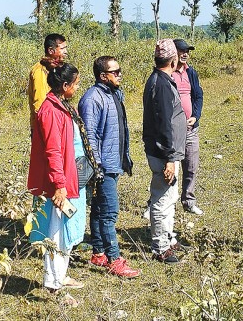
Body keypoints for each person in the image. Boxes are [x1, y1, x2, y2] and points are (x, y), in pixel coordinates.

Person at [28, 62, 88, 306]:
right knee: (56, 234)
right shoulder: (51, 111)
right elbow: (53, 151)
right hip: (57, 183)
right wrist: (59, 186)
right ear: (65, 86)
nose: (77, 87)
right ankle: (55, 285)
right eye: (75, 83)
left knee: (65, 231)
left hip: (66, 178)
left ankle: (60, 277)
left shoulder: (61, 105)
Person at [79, 56, 140, 278]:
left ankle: (98, 253)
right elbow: (90, 137)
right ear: (103, 76)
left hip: (114, 161)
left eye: (119, 70)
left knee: (98, 209)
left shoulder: (113, 94)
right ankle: (114, 259)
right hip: (103, 166)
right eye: (115, 72)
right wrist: (97, 168)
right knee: (109, 213)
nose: (120, 75)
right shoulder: (92, 99)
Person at [143, 39, 188, 264]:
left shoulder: (160, 80)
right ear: (173, 59)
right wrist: (169, 157)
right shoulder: (160, 84)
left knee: (170, 198)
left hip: (167, 152)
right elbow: (163, 123)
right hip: (164, 153)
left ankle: (169, 239)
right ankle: (160, 247)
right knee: (162, 199)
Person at [171, 39, 204, 215]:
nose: (185, 54)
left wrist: (195, 116)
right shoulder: (167, 73)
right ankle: (161, 202)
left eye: (187, 51)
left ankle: (188, 201)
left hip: (191, 129)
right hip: (173, 130)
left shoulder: (191, 72)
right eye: (181, 51)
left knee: (191, 166)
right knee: (169, 168)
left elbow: (198, 96)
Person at [27, 33, 68, 132]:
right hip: (45, 126)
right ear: (51, 50)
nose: (66, 52)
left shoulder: (56, 68)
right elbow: (40, 104)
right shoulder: (40, 70)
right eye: (62, 49)